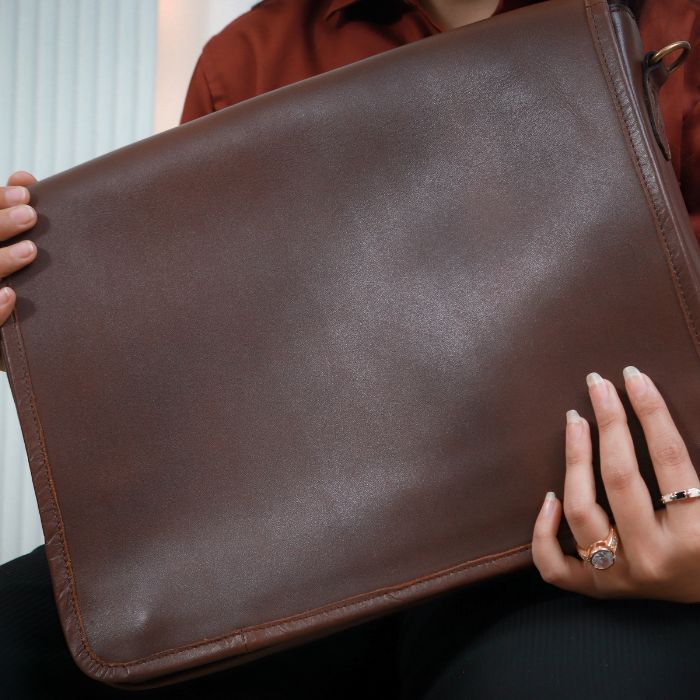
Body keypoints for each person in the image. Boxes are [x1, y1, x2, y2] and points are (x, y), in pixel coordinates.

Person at [1, 1, 699, 698]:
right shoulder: (248, 57)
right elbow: (205, 389)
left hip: (591, 546)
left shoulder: (676, 24)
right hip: (305, 559)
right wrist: (38, 319)